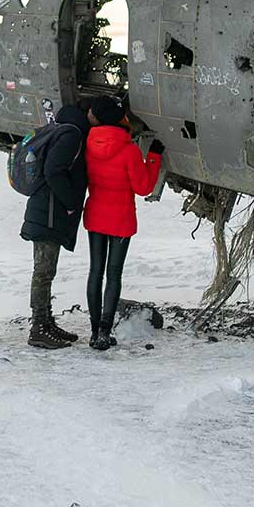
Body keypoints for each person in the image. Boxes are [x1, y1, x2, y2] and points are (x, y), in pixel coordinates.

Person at [82, 96, 164, 351]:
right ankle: (106, 332)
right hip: (120, 220)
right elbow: (143, 187)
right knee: (113, 274)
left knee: (95, 272)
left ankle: (95, 331)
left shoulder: (88, 143)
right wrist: (153, 157)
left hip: (95, 214)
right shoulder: (129, 150)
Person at [19, 102, 92, 349]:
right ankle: (39, 327)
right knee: (43, 271)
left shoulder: (57, 131)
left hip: (45, 210)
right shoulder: (70, 135)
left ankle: (47, 323)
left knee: (45, 271)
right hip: (49, 212)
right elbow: (53, 171)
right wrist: (71, 202)